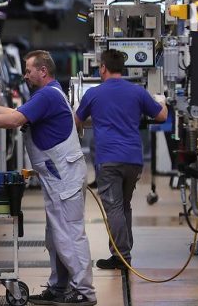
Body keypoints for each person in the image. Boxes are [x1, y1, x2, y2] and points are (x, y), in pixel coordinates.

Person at [0, 50, 96, 306]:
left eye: (29, 70)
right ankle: (59, 287)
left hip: (63, 177)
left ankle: (83, 292)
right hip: (59, 177)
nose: (25, 75)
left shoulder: (47, 96)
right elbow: (17, 111)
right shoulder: (48, 94)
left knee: (69, 234)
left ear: (43, 71)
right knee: (56, 236)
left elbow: (15, 120)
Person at [75, 49, 168, 270]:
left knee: (114, 208)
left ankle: (122, 256)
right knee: (124, 205)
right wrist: (161, 100)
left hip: (108, 159)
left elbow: (76, 121)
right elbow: (161, 115)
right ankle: (122, 252)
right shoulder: (137, 92)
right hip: (133, 160)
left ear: (103, 68)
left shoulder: (94, 94)